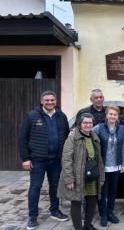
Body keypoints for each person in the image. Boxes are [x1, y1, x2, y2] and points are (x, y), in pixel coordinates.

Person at [18, 91, 70, 230]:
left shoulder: (61, 116)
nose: (50, 102)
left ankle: (55, 211)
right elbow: (22, 138)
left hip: (56, 160)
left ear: (56, 100)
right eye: (47, 100)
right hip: (37, 160)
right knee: (35, 187)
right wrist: (25, 158)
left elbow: (66, 135)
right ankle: (33, 217)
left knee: (54, 187)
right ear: (41, 101)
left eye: (52, 100)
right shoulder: (32, 116)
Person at [57, 113, 105, 230]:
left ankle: (87, 225)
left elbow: (99, 160)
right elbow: (66, 158)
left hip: (92, 176)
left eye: (90, 123)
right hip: (77, 175)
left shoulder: (94, 137)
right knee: (76, 201)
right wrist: (69, 178)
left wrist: (102, 177)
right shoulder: (73, 137)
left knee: (92, 201)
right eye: (85, 123)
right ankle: (78, 228)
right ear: (80, 124)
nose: (88, 125)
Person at [92, 105, 124, 227]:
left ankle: (110, 212)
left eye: (115, 114)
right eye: (110, 114)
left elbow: (123, 146)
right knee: (102, 191)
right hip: (103, 166)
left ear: (118, 117)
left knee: (113, 191)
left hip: (116, 166)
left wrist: (123, 163)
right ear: (106, 115)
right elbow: (87, 132)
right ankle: (103, 214)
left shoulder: (121, 128)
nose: (112, 116)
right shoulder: (99, 128)